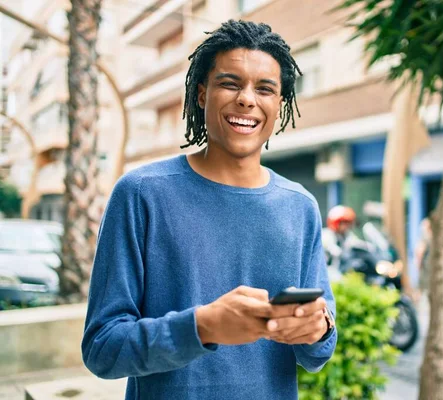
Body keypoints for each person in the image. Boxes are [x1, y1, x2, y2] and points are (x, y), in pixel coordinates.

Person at [82, 20, 337, 400]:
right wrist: (201, 328)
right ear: (202, 94)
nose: (247, 99)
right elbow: (102, 349)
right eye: (230, 83)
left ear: (279, 105)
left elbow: (317, 353)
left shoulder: (300, 206)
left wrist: (319, 329)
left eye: (264, 89)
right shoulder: (140, 194)